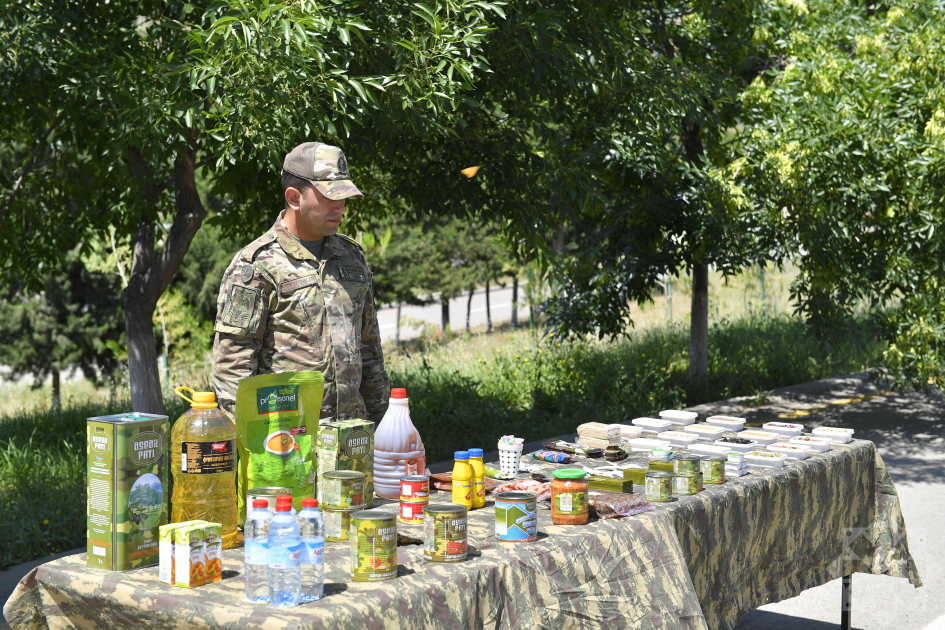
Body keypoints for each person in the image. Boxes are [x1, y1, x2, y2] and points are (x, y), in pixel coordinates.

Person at [211, 142, 390, 424]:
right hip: (287, 445)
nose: (341, 207)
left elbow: (369, 351)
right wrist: (252, 444)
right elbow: (233, 367)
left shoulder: (351, 257)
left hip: (353, 439)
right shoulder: (255, 266)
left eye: (344, 197)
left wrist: (385, 427)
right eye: (330, 197)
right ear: (294, 198)